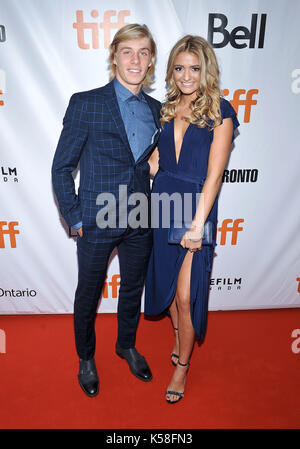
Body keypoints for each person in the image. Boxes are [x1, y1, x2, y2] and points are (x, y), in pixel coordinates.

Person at [52, 24, 161, 398]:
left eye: (143, 52)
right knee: (89, 292)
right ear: (114, 56)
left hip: (140, 218)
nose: (135, 59)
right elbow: (61, 167)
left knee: (132, 288)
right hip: (96, 219)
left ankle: (126, 344)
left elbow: (147, 163)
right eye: (127, 51)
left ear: (151, 62)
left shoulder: (157, 110)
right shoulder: (87, 103)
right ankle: (85, 357)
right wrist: (76, 217)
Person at [145, 35, 239, 403]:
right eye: (180, 68)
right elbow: (156, 163)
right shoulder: (166, 108)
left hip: (196, 206)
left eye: (194, 68)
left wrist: (198, 224)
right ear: (171, 71)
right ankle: (177, 334)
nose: (187, 76)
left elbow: (214, 175)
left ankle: (182, 368)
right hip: (163, 201)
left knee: (186, 296)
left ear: (206, 70)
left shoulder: (221, 111)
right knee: (169, 291)